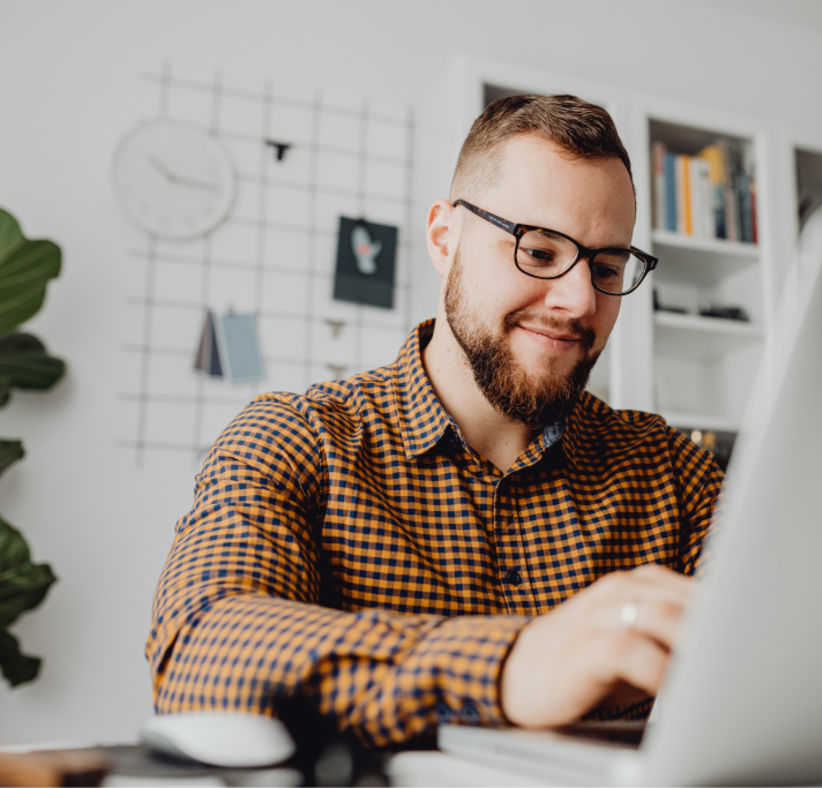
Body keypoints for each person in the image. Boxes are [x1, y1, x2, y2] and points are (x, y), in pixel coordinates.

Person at [146, 94, 724, 748]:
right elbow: (197, 654)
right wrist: (511, 665)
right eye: (537, 251)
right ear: (444, 239)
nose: (579, 301)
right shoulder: (296, 436)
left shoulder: (669, 469)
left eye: (606, 266)